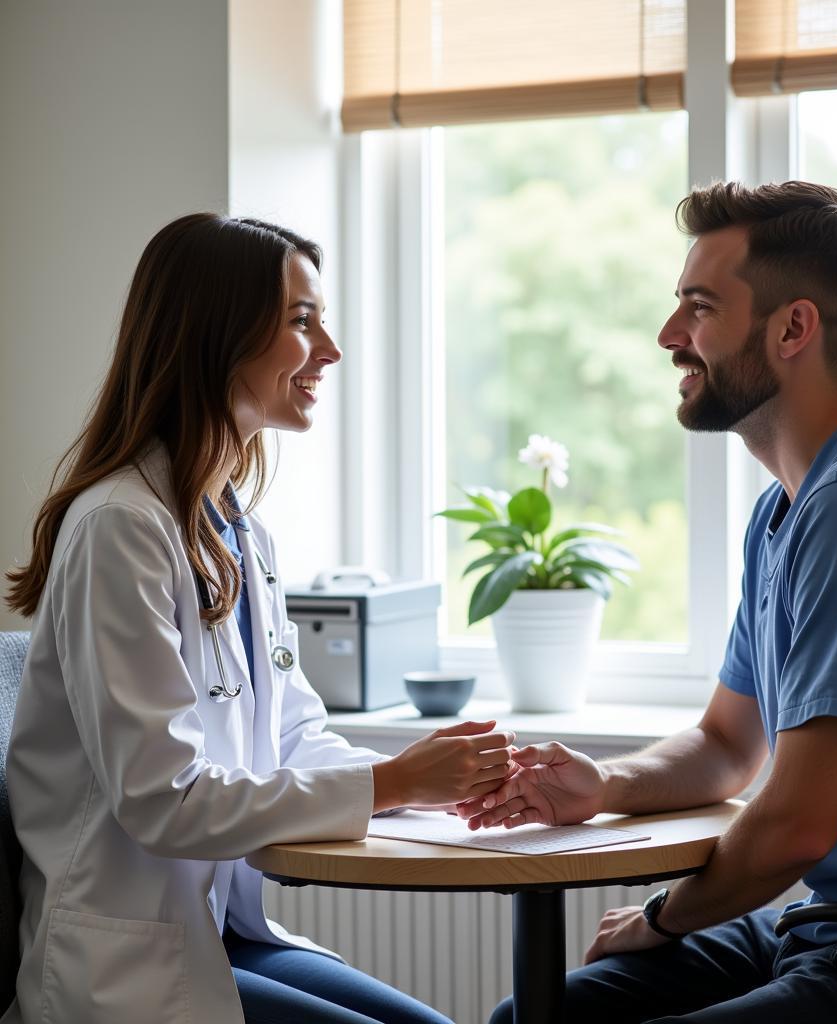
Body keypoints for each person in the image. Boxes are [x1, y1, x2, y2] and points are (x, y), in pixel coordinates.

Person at [467, 181, 837, 1024]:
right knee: (533, 1017)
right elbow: (730, 745)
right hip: (823, 928)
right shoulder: (787, 511)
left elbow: (797, 827)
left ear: (793, 327)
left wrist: (664, 916)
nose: (669, 336)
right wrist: (603, 783)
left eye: (698, 308)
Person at [3, 213, 516, 1024]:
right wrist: (391, 784)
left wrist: (431, 782)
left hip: (219, 930)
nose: (331, 351)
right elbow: (162, 800)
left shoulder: (237, 529)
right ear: (219, 334)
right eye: (303, 322)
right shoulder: (119, 528)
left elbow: (291, 736)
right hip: (125, 969)